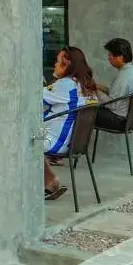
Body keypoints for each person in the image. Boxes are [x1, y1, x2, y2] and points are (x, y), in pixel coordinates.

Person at [43, 46, 98, 200]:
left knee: (24, 138)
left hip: (56, 140)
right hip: (74, 142)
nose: (54, 65)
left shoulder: (65, 85)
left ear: (67, 64)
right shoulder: (85, 84)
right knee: (31, 136)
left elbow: (33, 96)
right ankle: (50, 180)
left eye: (57, 61)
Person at [95, 38, 133, 131]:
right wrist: (98, 86)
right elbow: (117, 94)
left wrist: (96, 92)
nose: (108, 58)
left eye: (110, 55)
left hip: (118, 120)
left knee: (84, 113)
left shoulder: (124, 77)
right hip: (129, 119)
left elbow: (113, 105)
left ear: (120, 57)